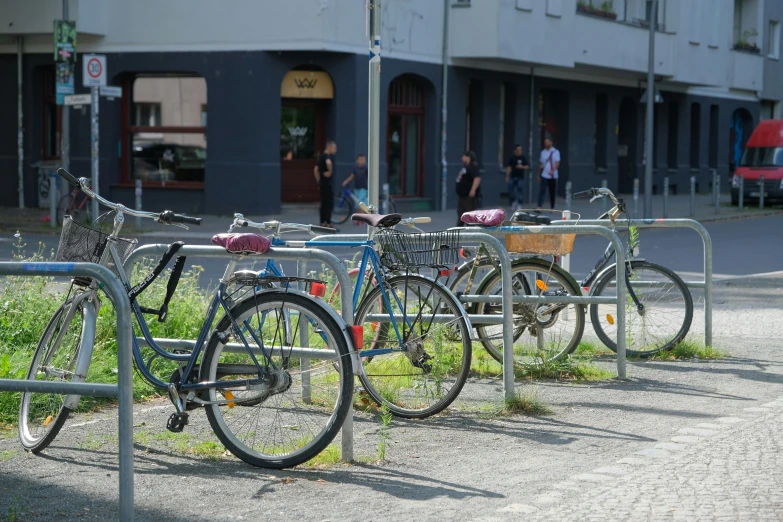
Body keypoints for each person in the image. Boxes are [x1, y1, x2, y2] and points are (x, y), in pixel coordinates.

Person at [314, 140, 337, 227]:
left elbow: (315, 169)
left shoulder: (320, 157)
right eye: (334, 148)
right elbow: (329, 163)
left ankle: (322, 222)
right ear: (329, 147)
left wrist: (318, 181)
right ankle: (328, 223)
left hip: (322, 183)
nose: (335, 150)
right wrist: (330, 171)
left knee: (323, 203)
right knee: (329, 203)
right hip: (327, 183)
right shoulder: (327, 156)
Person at [455, 150, 481, 226]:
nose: (462, 158)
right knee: (461, 215)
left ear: (468, 157)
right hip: (463, 196)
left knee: (469, 215)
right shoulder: (466, 167)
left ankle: (470, 233)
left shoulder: (473, 166)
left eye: (463, 156)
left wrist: (473, 190)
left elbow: (477, 178)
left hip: (468, 197)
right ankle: (459, 232)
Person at [537, 135, 561, 210]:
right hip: (544, 174)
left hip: (553, 175)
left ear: (551, 142)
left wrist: (552, 171)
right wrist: (538, 174)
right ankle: (539, 206)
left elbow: (557, 163)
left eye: (547, 142)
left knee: (552, 192)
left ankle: (552, 207)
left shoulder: (556, 152)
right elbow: (540, 164)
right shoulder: (543, 152)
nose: (546, 144)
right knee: (542, 191)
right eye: (545, 142)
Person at [506, 144, 529, 210]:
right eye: (518, 150)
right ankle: (513, 202)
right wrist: (507, 176)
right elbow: (509, 167)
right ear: (515, 151)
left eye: (520, 150)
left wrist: (522, 167)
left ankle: (519, 204)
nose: (519, 151)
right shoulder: (512, 158)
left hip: (520, 177)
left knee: (520, 191)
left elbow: (527, 166)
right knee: (511, 190)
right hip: (512, 177)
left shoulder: (523, 158)